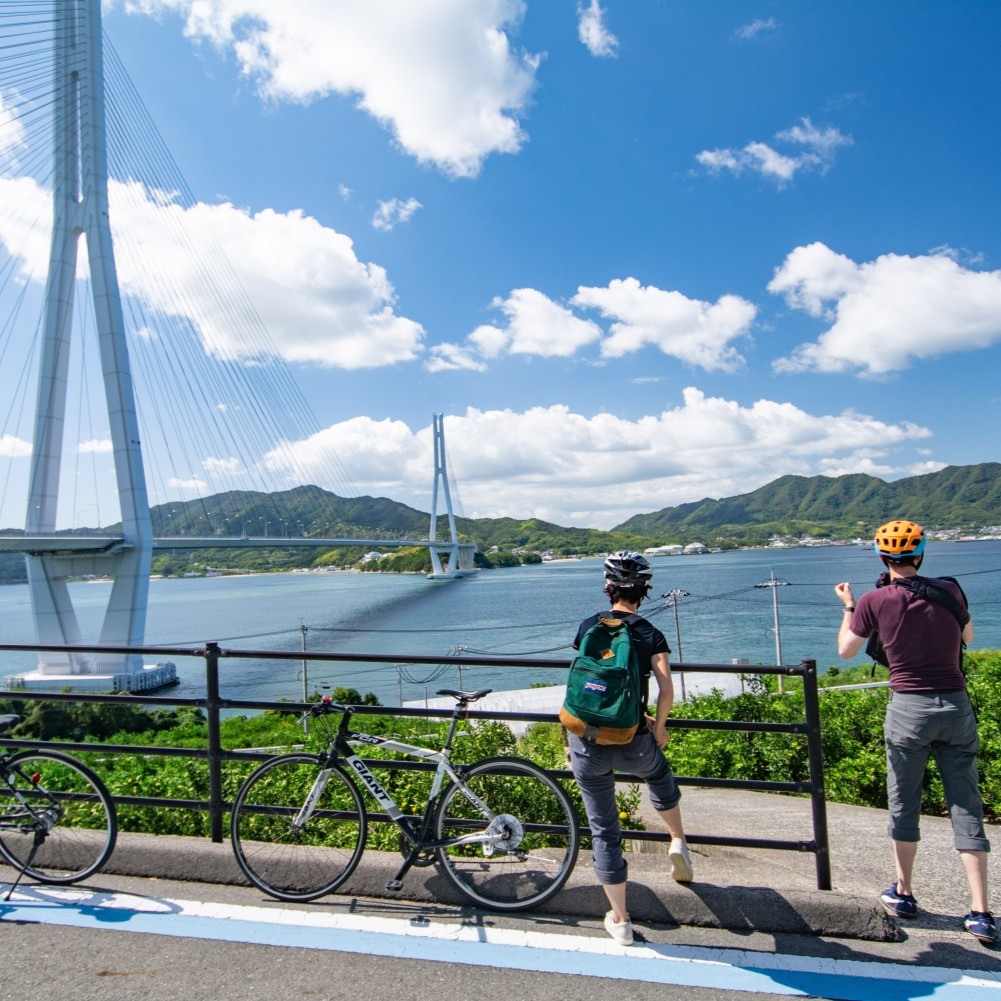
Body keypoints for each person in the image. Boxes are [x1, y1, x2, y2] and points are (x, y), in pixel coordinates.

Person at [835, 518, 995, 946]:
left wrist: (849, 606)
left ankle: (904, 893)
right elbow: (969, 637)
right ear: (920, 555)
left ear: (881, 557)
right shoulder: (951, 591)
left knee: (904, 800)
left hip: (908, 709)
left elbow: (846, 651)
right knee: (966, 804)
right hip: (955, 705)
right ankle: (980, 912)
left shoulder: (874, 600)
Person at [567, 550, 693, 946]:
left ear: (608, 588)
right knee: (658, 774)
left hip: (586, 739)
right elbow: (667, 690)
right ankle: (677, 839)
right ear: (644, 591)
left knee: (604, 829)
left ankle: (620, 920)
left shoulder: (589, 626)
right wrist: (659, 726)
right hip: (631, 736)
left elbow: (588, 683)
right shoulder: (650, 633)